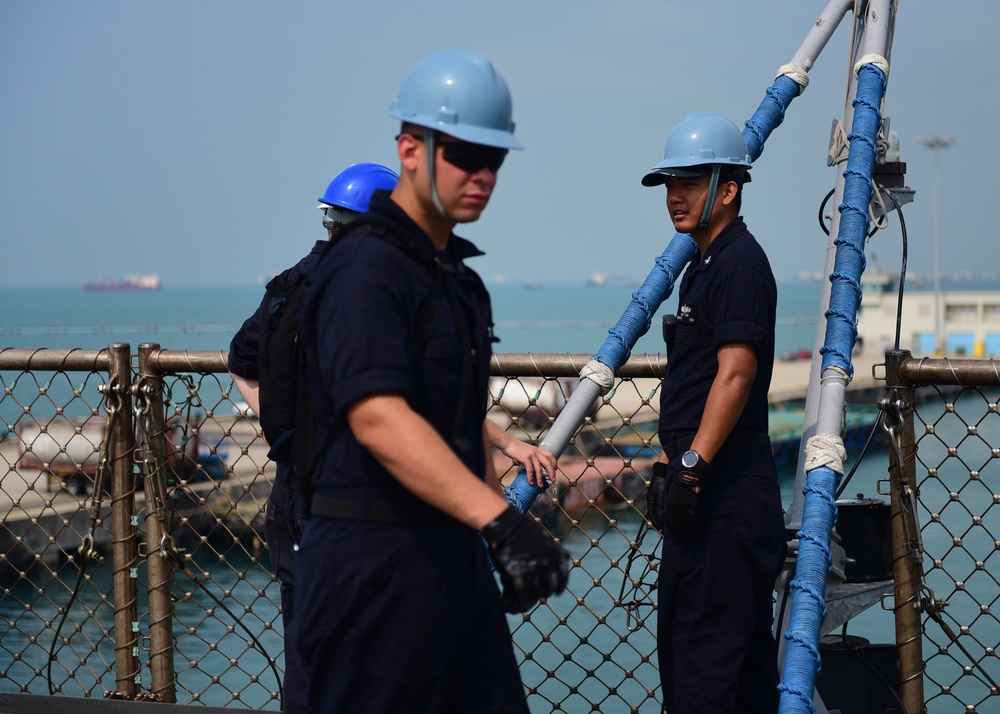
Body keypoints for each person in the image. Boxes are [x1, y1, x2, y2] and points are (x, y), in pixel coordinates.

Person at [293, 50, 570, 712]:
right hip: (373, 569)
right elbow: (378, 417)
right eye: (464, 154)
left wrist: (487, 532)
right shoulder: (366, 270)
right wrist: (502, 523)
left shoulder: (457, 282)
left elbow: (450, 425)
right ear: (409, 149)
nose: (482, 174)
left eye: (494, 159)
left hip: (453, 560)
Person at [228, 161, 399, 713]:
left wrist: (281, 430)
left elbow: (241, 361)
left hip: (292, 494)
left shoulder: (286, 286)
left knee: (306, 654)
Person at [642, 113, 786, 713]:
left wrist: (693, 465)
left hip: (723, 493)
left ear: (728, 189)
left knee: (702, 671)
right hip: (712, 488)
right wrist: (667, 457)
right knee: (737, 674)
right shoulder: (705, 264)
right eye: (671, 184)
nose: (676, 196)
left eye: (692, 183)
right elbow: (701, 377)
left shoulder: (737, 264)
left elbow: (736, 371)